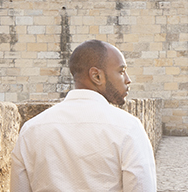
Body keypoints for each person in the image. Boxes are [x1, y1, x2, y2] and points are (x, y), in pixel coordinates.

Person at [12, 39, 156, 192]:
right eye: (121, 71)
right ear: (96, 76)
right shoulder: (128, 128)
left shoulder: (31, 130)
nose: (128, 79)